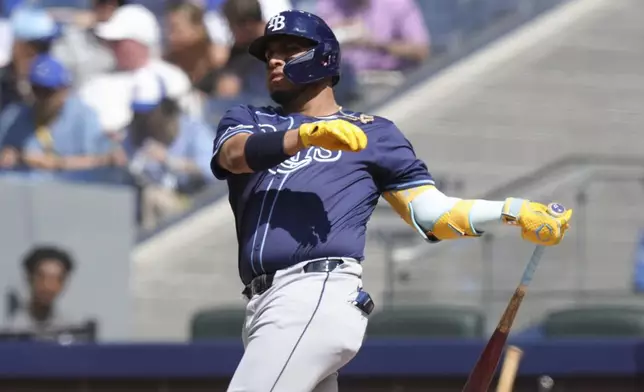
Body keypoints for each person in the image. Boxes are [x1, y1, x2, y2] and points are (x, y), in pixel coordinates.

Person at [209, 10, 573, 392]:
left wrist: (511, 211)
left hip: (314, 291)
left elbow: (433, 215)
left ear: (324, 57)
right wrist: (305, 136)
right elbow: (234, 156)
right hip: (263, 306)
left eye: (289, 49)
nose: (274, 59)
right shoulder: (249, 118)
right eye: (269, 53)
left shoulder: (374, 133)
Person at [2, 246, 77, 336]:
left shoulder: (71, 331)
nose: (49, 286)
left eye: (57, 279)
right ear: (29, 278)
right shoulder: (10, 330)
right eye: (42, 277)